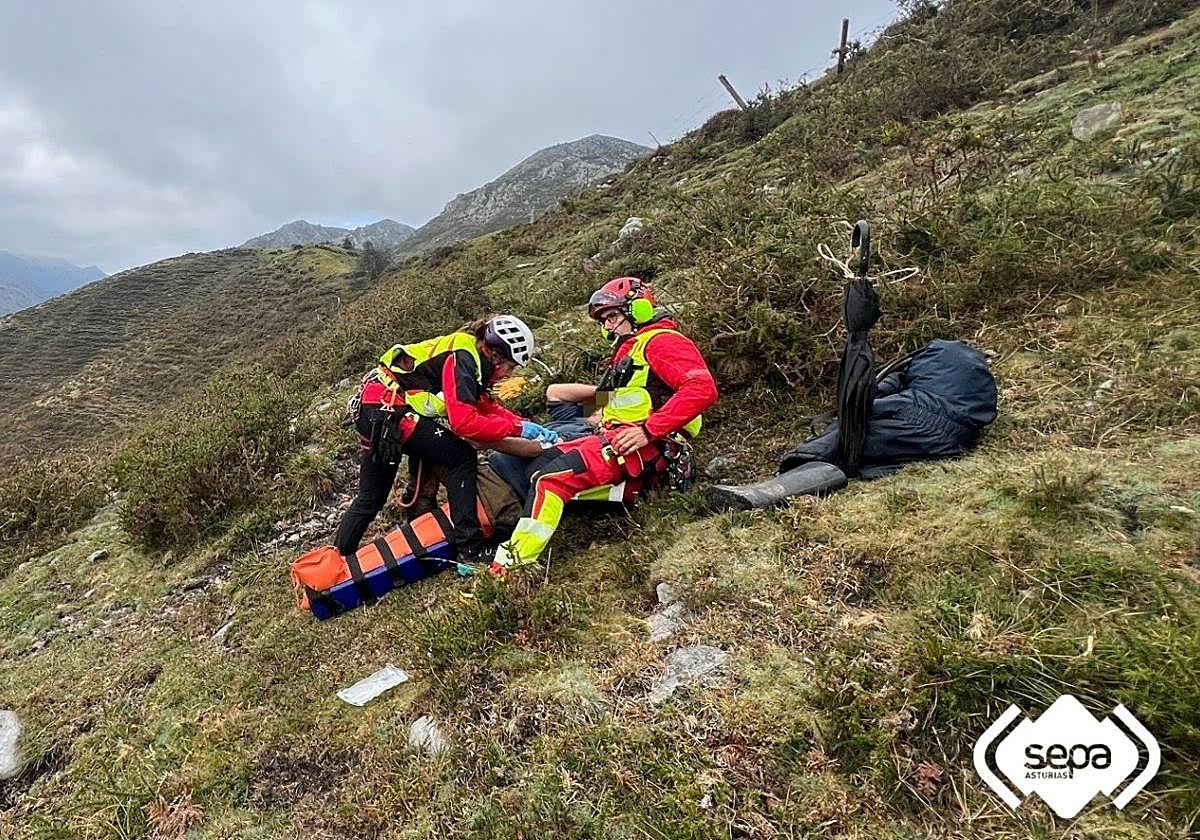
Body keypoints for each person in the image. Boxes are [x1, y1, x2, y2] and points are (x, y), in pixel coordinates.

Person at [490, 277, 718, 572]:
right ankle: (634, 492)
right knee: (539, 467)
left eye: (612, 316)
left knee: (550, 479)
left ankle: (509, 569)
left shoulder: (661, 341)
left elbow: (702, 388)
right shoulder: (633, 353)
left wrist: (647, 431)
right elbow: (613, 400)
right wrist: (595, 415)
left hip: (646, 442)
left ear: (637, 309)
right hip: (619, 437)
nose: (607, 327)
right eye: (604, 320)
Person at [333, 315, 559, 565]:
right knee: (460, 457)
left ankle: (337, 563)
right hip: (390, 411)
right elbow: (464, 423)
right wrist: (517, 428)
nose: (509, 374)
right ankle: (470, 549)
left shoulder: (470, 355)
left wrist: (523, 424)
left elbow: (483, 405)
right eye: (511, 367)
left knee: (371, 497)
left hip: (375, 409)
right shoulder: (463, 358)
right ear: (497, 356)